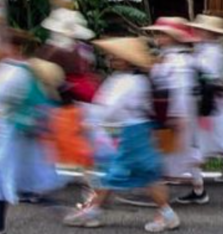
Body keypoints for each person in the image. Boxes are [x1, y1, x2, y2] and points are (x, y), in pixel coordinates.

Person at [63, 37, 180, 232]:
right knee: (126, 173)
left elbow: (110, 109)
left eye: (115, 56)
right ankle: (93, 211)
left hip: (132, 133)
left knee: (135, 174)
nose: (110, 58)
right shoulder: (127, 79)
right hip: (131, 131)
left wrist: (90, 119)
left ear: (126, 59)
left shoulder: (131, 82)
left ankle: (166, 215)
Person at [0, 30, 64, 234]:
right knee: (19, 179)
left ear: (14, 47)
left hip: (12, 134)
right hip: (14, 132)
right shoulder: (13, 68)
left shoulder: (18, 72)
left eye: (2, 45)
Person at [116, 17, 202, 208]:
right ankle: (196, 189)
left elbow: (180, 92)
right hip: (167, 112)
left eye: (162, 34)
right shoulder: (172, 58)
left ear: (172, 37)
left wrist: (175, 116)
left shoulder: (177, 61)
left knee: (166, 155)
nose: (158, 37)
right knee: (176, 153)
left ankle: (159, 197)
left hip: (172, 113)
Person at [38, 8, 99, 172]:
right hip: (67, 100)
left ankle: (88, 172)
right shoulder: (77, 50)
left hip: (60, 102)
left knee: (61, 139)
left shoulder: (54, 51)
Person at [186, 14, 223, 189]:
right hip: (212, 96)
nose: (198, 32)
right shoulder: (206, 49)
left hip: (210, 97)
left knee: (216, 132)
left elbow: (206, 74)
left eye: (201, 30)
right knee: (218, 132)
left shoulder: (212, 52)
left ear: (210, 33)